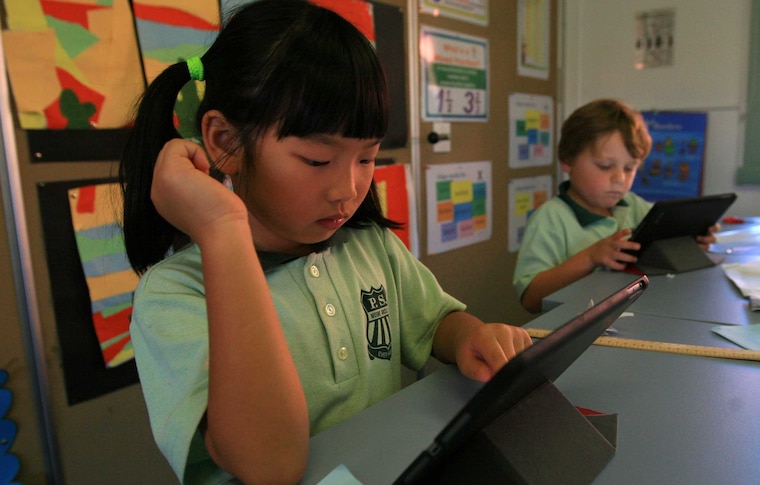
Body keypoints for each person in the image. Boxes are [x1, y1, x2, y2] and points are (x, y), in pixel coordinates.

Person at [118, 1, 532, 483]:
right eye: (317, 160)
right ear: (224, 139)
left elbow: (433, 320)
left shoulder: (369, 246)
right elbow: (268, 465)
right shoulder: (174, 296)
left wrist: (471, 337)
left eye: (367, 159)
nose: (349, 189)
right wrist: (219, 228)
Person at [513, 99, 718, 313]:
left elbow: (662, 239)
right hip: (574, 330)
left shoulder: (632, 204)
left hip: (631, 317)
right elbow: (531, 299)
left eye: (630, 168)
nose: (619, 178)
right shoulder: (550, 218)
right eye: (605, 166)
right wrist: (590, 257)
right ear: (567, 161)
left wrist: (688, 240)